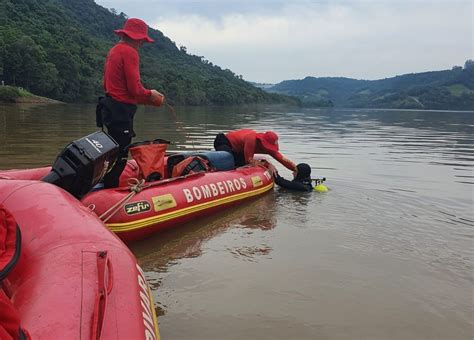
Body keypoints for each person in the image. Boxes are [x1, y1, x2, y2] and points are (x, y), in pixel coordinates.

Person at [97, 18, 164, 188]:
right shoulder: (129, 52)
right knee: (120, 156)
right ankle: (109, 191)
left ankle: (102, 184)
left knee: (111, 151)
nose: (142, 43)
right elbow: (134, 89)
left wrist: (146, 100)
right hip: (120, 112)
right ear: (137, 37)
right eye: (142, 39)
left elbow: (113, 87)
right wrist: (151, 94)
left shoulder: (114, 50)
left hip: (110, 107)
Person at [213, 129, 297, 171]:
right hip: (225, 141)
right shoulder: (251, 139)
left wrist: (297, 170)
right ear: (262, 141)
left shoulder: (269, 148)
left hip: (238, 151)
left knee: (238, 165)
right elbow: (248, 160)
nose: (268, 149)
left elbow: (283, 160)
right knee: (227, 160)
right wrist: (267, 164)